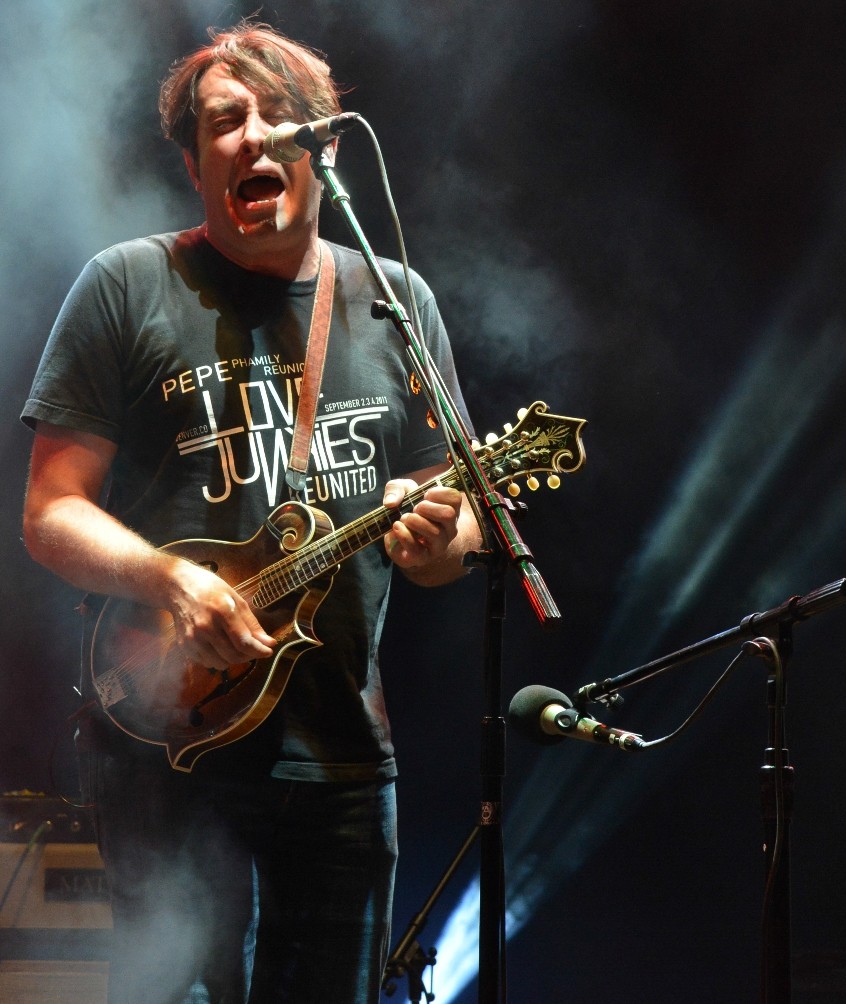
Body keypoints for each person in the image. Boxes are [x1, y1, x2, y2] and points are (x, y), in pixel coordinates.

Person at [21, 22, 481, 1004]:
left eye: (281, 116)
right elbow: (51, 511)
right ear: (194, 165)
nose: (255, 136)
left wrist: (440, 535)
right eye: (226, 121)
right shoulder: (128, 285)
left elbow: (456, 531)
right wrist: (168, 579)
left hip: (343, 758)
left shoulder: (395, 302)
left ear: (327, 148)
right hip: (170, 744)